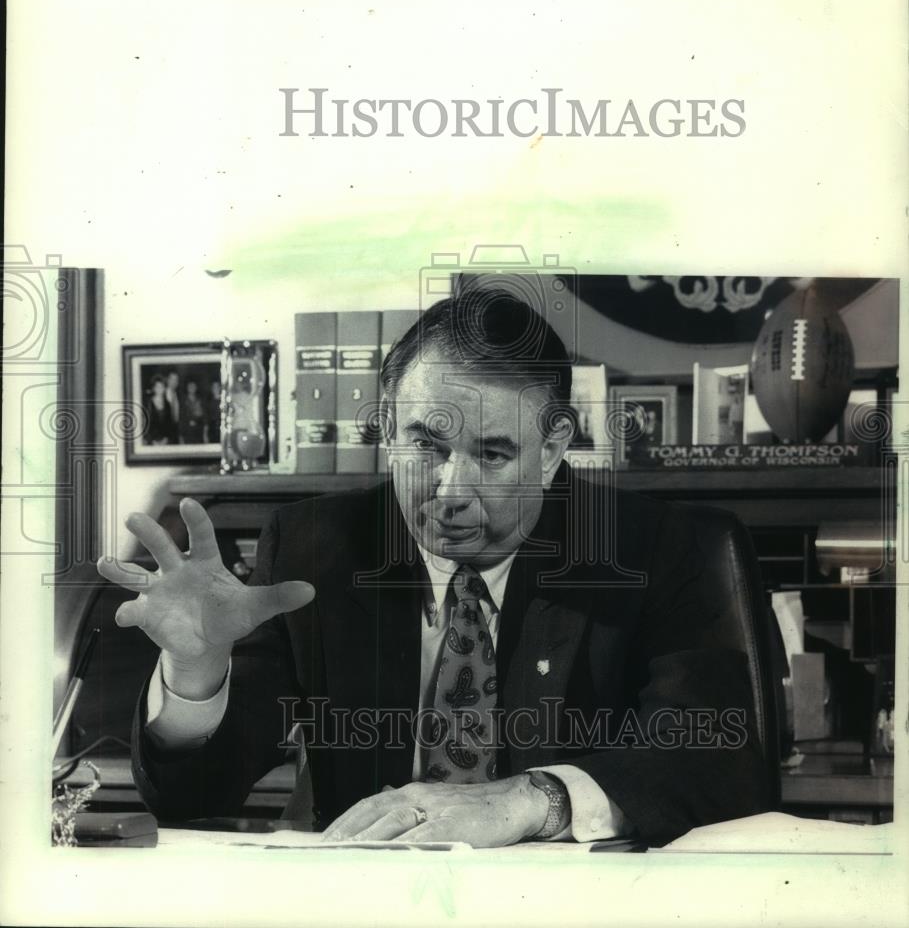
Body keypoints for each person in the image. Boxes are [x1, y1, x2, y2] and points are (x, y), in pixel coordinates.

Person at [101, 288, 769, 847]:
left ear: (552, 446)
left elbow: (715, 759)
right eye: (425, 444)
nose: (450, 490)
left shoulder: (658, 548)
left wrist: (536, 801)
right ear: (388, 428)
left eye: (493, 454)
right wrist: (195, 673)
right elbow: (190, 796)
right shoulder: (315, 547)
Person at [142, 374, 177, 445]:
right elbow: (145, 425)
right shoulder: (148, 404)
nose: (160, 389)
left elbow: (170, 425)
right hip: (151, 441)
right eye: (157, 387)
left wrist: (166, 439)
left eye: (162, 387)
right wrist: (152, 441)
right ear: (153, 388)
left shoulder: (168, 404)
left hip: (165, 441)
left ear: (164, 388)